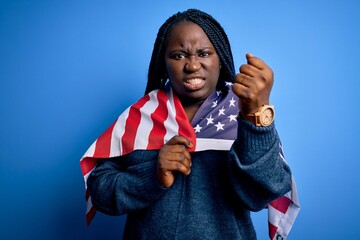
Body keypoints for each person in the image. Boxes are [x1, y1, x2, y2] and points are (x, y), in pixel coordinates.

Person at [80, 8, 299, 240]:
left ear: (221, 59)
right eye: (178, 55)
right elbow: (100, 192)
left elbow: (260, 195)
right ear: (162, 62)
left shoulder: (245, 114)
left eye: (204, 53)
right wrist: (152, 176)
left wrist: (256, 116)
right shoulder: (141, 115)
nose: (193, 66)